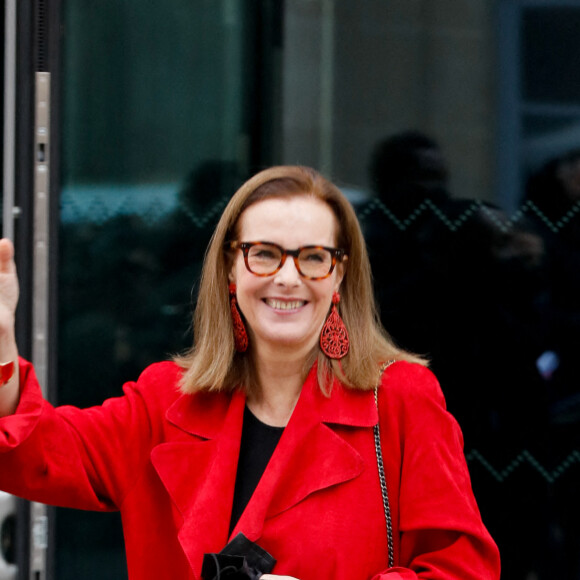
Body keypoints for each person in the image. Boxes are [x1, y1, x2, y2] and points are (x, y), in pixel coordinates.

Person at [0, 165, 500, 579]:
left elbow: (462, 568)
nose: (287, 277)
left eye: (313, 258)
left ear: (339, 276)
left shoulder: (398, 398)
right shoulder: (165, 401)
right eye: (263, 254)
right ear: (230, 269)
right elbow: (40, 452)